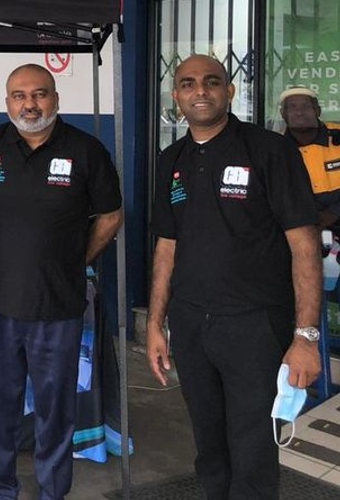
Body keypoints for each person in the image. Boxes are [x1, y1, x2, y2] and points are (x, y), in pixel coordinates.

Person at [146, 54, 322, 500]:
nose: (200, 91)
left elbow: (304, 246)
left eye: (211, 82)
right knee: (209, 444)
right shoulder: (171, 159)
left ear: (230, 90)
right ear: (176, 96)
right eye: (188, 84)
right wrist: (155, 324)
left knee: (253, 445)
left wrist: (306, 336)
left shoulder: (269, 151)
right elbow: (166, 246)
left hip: (254, 324)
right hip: (191, 323)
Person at [0, 63, 123, 500]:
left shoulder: (86, 150)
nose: (30, 104)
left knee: (55, 411)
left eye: (39, 94)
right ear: (7, 103)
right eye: (19, 96)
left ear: (56, 99)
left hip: (58, 306)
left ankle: (52, 492)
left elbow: (111, 215)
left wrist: (76, 261)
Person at [278, 86, 340, 235]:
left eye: (306, 106)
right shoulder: (275, 146)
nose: (299, 112)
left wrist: (333, 213)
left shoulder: (337, 136)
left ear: (318, 110)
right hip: (300, 229)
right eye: (292, 107)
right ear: (283, 114)